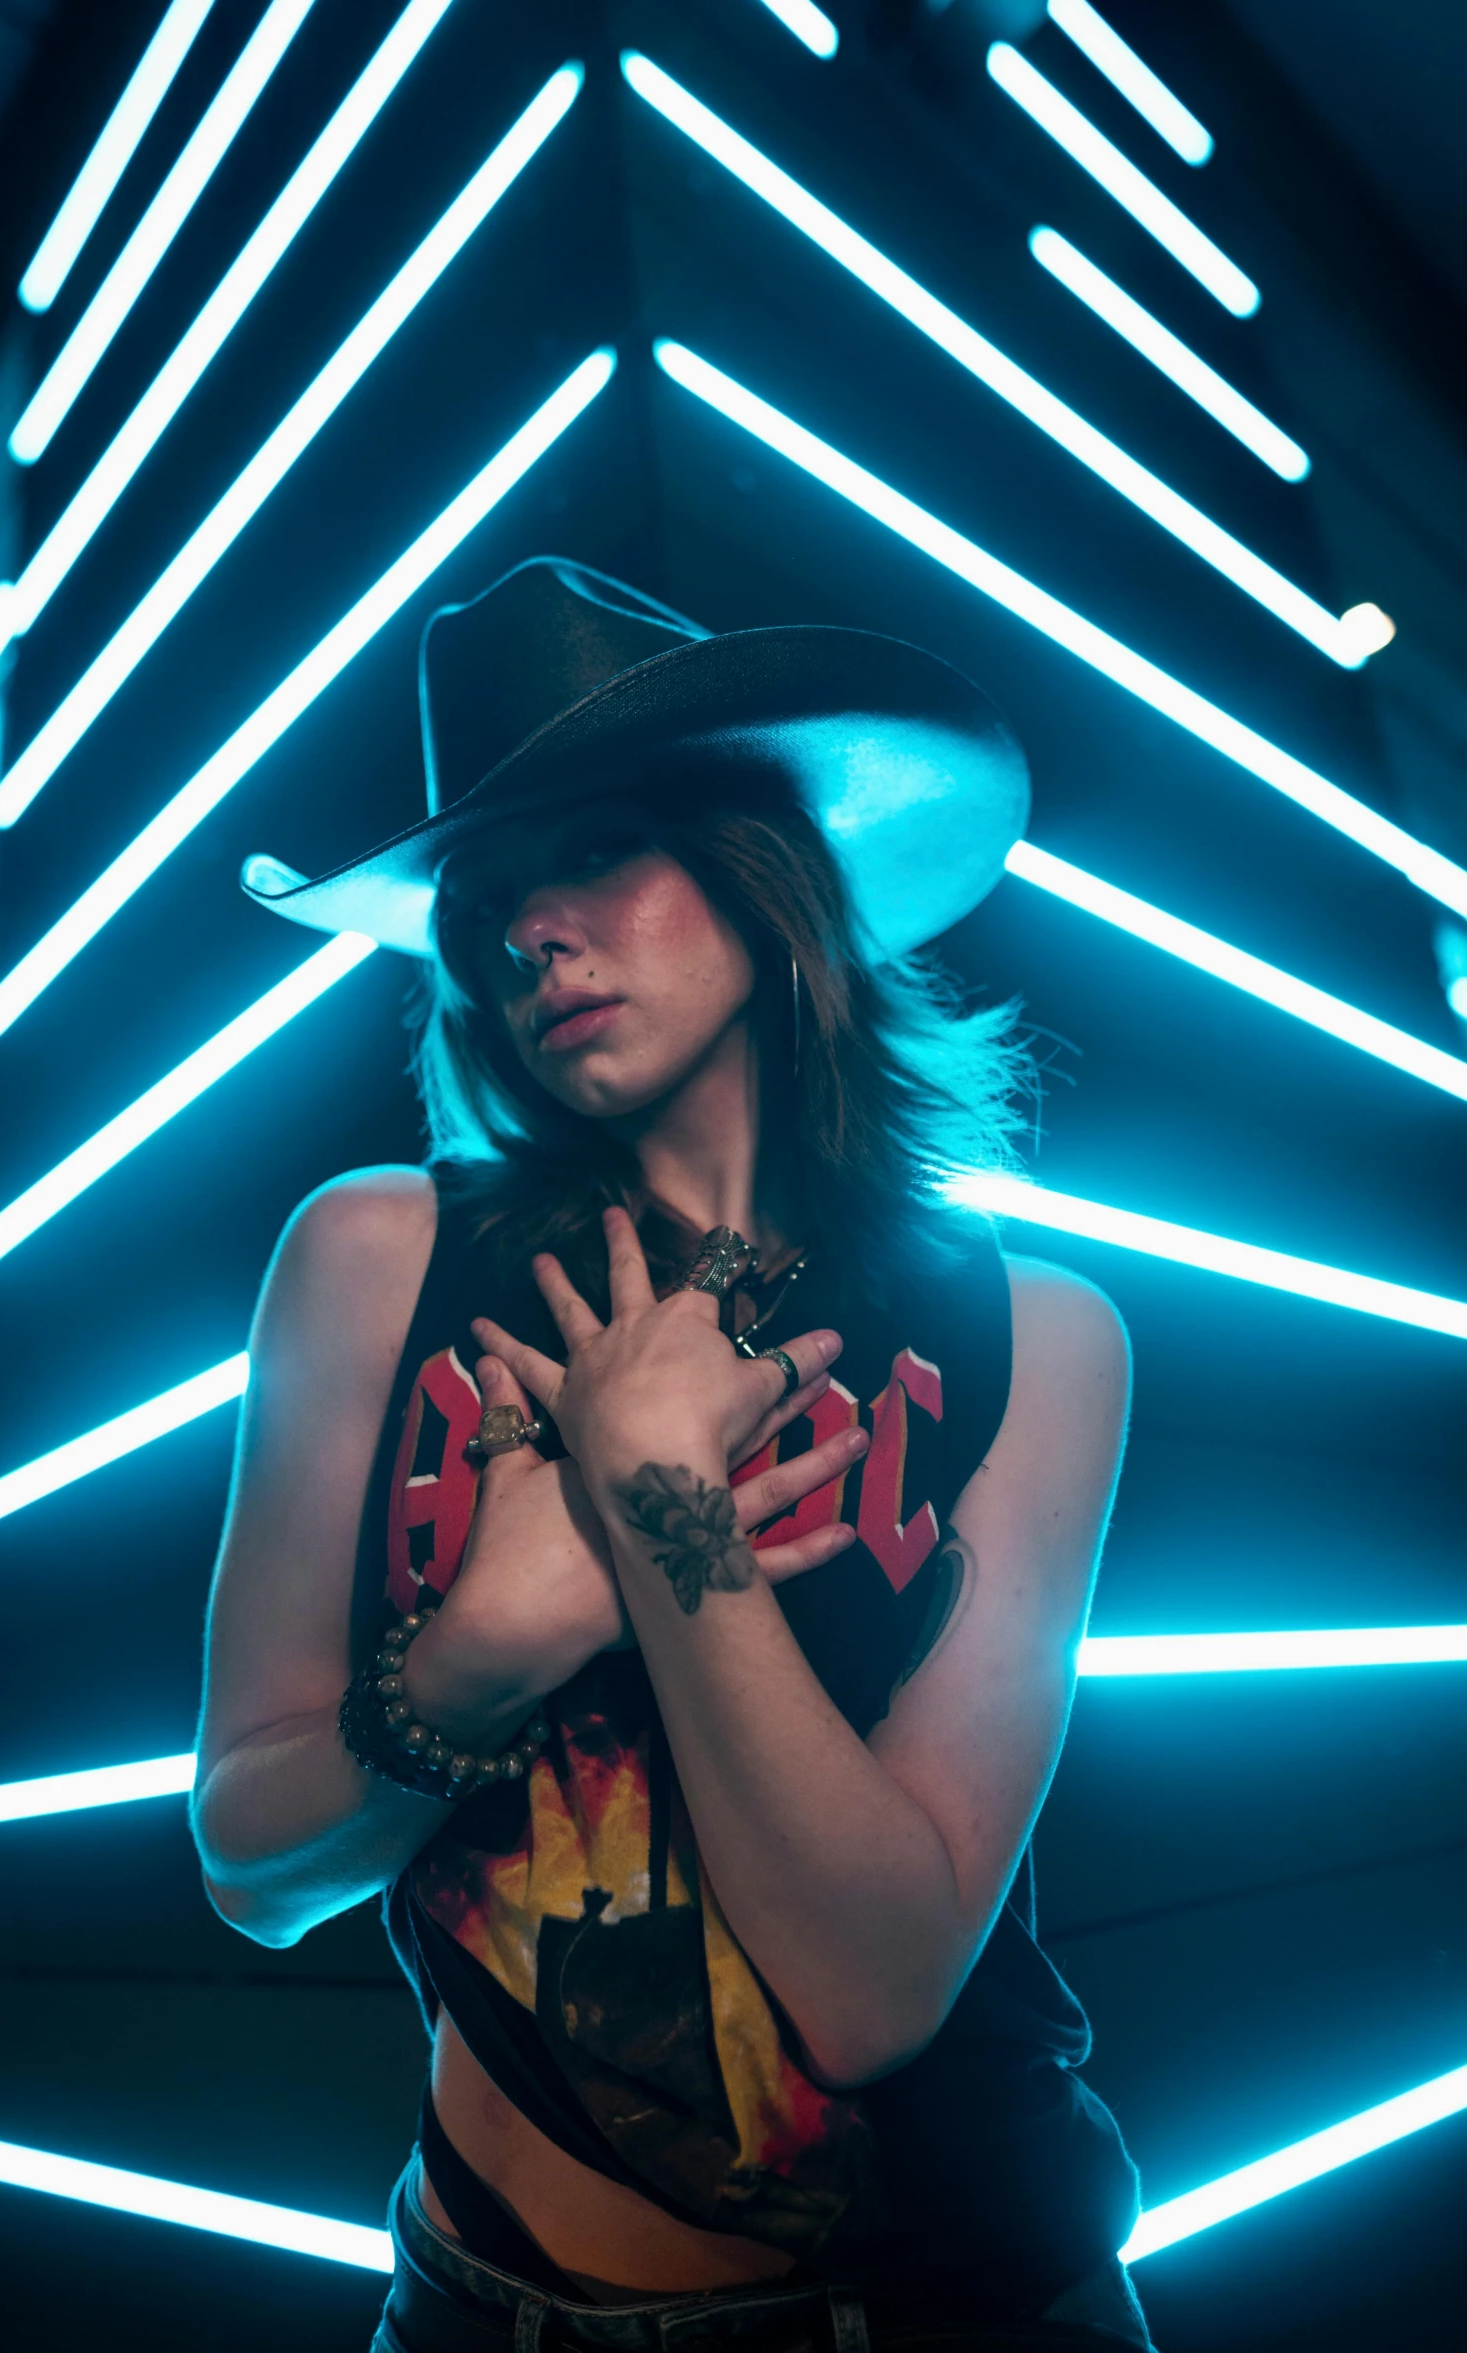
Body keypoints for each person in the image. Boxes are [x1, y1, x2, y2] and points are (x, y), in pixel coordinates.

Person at [192, 559, 1151, 2352]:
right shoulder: (376, 1256)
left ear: (761, 875)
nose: (529, 933)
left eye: (596, 855)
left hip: (961, 2309)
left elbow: (875, 1997)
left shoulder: (1044, 1334)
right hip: (484, 2310)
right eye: (486, 900)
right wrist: (497, 1630)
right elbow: (252, 1861)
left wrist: (657, 1509)